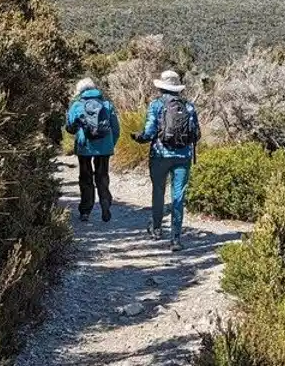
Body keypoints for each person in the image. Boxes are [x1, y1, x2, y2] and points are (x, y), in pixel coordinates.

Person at [132, 69, 201, 251]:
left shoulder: (156, 105)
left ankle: (156, 229)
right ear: (178, 88)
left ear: (162, 87)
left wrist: (139, 137)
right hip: (183, 157)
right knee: (178, 196)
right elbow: (197, 134)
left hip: (160, 156)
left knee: (158, 191)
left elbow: (149, 132)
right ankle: (176, 239)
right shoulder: (189, 107)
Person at [65, 78, 120, 223]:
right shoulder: (107, 105)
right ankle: (105, 204)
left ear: (80, 91)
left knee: (85, 178)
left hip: (85, 147)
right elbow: (116, 128)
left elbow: (69, 127)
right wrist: (110, 144)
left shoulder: (77, 105)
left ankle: (85, 211)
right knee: (102, 176)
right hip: (104, 148)